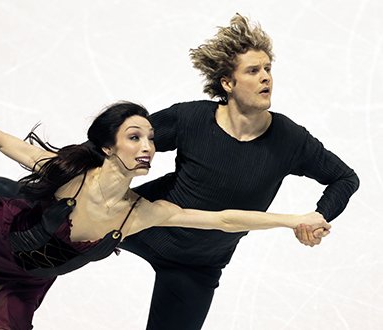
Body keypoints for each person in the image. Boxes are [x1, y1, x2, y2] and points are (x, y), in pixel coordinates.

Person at [0, 1, 333, 329]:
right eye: (136, 137)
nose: (149, 146)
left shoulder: (142, 213)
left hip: (19, 278)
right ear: (110, 147)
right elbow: (1, 140)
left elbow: (225, 219)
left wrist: (295, 220)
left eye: (152, 138)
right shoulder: (73, 171)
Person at [119, 13, 360, 330]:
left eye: (268, 69)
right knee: (48, 241)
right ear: (227, 83)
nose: (266, 78)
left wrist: (319, 216)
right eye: (253, 70)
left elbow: (345, 178)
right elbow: (120, 141)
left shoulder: (289, 139)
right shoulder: (190, 118)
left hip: (198, 266)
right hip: (136, 223)